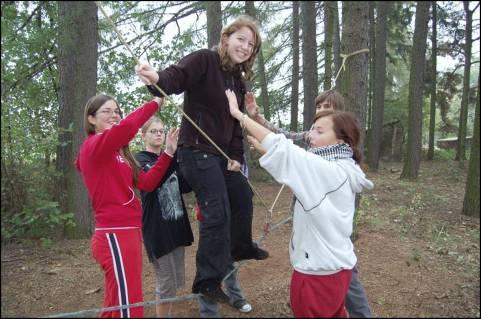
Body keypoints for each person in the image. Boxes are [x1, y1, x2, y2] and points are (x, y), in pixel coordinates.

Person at [135, 15, 266, 303]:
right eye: (240, 39)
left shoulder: (238, 83)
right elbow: (175, 77)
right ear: (226, 38)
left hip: (222, 157)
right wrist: (156, 78)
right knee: (216, 211)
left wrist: (235, 157)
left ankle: (241, 246)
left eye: (251, 44)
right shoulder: (205, 60)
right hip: (195, 152)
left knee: (242, 196)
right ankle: (206, 281)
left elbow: (234, 127)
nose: (245, 47)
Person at [225, 88, 374, 318]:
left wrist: (239, 115)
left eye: (319, 130)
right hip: (337, 270)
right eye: (312, 128)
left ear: (342, 138)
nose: (311, 136)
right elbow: (288, 148)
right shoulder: (344, 167)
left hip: (316, 276)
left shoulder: (326, 169)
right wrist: (264, 138)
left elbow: (284, 147)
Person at [76, 94, 177, 318]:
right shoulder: (93, 145)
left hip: (130, 232)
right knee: (128, 306)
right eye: (107, 111)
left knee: (118, 302)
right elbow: (126, 128)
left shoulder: (118, 153)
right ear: (91, 119)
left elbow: (147, 183)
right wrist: (156, 102)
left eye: (117, 111)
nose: (115, 115)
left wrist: (168, 153)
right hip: (113, 235)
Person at [135, 116, 194, 318]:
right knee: (166, 283)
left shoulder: (171, 158)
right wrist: (169, 153)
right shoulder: (139, 159)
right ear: (143, 136)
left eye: (161, 131)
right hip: (158, 231)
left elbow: (185, 186)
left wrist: (186, 156)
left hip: (176, 226)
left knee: (174, 282)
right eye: (154, 131)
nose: (159, 134)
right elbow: (151, 182)